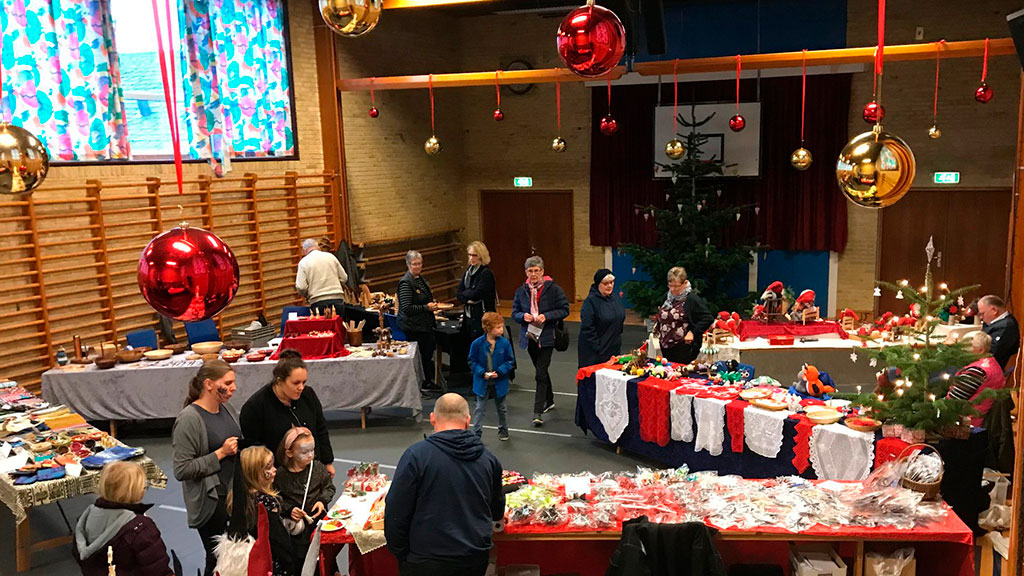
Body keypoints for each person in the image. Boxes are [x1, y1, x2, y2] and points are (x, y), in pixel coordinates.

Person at [384, 394, 504, 576]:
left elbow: (395, 512)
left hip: (425, 560)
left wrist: (402, 554)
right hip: (473, 558)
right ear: (468, 421)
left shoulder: (416, 456)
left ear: (432, 418)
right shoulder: (488, 459)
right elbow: (496, 512)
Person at [171, 360, 240, 576]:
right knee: (218, 557)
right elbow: (182, 469)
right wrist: (220, 453)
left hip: (233, 493)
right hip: (211, 501)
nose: (233, 388)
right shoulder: (189, 419)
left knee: (236, 554)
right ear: (209, 384)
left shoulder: (226, 408)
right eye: (227, 383)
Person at [240, 350, 335, 477]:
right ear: (279, 381)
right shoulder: (254, 408)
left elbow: (320, 429)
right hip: (278, 476)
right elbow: (256, 451)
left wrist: (328, 462)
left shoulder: (308, 395)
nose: (301, 387)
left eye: (304, 382)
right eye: (296, 383)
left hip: (312, 470)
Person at [73, 461, 173, 576]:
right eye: (143, 486)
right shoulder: (140, 528)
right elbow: (158, 569)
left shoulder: (86, 518)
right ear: (133, 491)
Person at [512, 255, 569, 427]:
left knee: (539, 373)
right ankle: (549, 399)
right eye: (530, 271)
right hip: (529, 337)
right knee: (541, 371)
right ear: (526, 273)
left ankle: (537, 412)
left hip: (547, 337)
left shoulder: (554, 290)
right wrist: (524, 316)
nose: (534, 274)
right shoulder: (521, 291)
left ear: (543, 272)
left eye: (537, 271)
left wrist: (547, 316)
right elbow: (515, 313)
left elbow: (564, 309)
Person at [274, 427, 336, 574]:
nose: (310, 455)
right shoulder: (281, 475)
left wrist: (322, 501)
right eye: (304, 452)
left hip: (318, 525)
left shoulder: (318, 468)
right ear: (289, 453)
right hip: (297, 532)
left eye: (312, 450)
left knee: (324, 559)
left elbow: (329, 488)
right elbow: (276, 498)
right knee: (300, 562)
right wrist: (289, 509)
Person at [227, 446, 296, 576]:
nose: (275, 470)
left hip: (251, 563)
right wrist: (290, 563)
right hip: (272, 563)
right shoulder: (268, 502)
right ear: (257, 473)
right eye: (269, 467)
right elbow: (278, 540)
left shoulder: (237, 498)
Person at [468, 312, 515, 441]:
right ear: (488, 328)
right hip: (483, 381)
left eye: (502, 327)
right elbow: (472, 361)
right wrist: (482, 373)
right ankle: (476, 434)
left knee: (502, 408)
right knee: (479, 408)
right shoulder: (477, 344)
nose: (501, 330)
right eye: (498, 327)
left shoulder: (505, 343)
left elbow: (510, 361)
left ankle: (503, 430)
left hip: (499, 381)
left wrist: (499, 372)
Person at [398, 250, 439, 390]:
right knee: (422, 357)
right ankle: (423, 383)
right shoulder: (405, 283)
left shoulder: (420, 279)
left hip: (424, 325)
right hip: (414, 327)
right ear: (408, 265)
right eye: (414, 264)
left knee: (427, 355)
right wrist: (426, 308)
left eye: (420, 264)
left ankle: (427, 380)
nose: (417, 267)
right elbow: (407, 308)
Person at [655, 267, 714, 365]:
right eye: (670, 286)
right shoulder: (667, 297)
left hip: (683, 346)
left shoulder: (692, 299)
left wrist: (693, 332)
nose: (673, 289)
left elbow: (707, 318)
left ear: (685, 283)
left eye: (676, 286)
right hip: (666, 344)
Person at [947, 331, 1008, 426]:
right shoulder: (992, 362)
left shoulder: (977, 371)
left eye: (967, 346)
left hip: (967, 423)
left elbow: (952, 402)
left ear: (981, 350)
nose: (963, 350)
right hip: (981, 418)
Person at [578, 268, 626, 369]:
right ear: (598, 284)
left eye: (611, 282)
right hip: (595, 354)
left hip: (613, 350)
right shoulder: (590, 302)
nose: (609, 286)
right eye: (605, 283)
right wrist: (598, 347)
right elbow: (587, 329)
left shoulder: (615, 299)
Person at [296, 238, 348, 316]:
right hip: (337, 298)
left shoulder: (303, 263)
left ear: (304, 251)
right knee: (338, 327)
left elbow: (301, 287)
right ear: (318, 247)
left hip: (317, 300)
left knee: (321, 327)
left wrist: (308, 294)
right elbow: (344, 278)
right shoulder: (331, 257)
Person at [457, 241, 497, 338]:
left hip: (483, 316)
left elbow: (476, 294)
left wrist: (465, 293)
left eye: (474, 255)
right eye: (470, 255)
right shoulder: (468, 272)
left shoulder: (486, 273)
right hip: (469, 315)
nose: (471, 258)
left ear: (481, 256)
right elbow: (458, 292)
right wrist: (467, 298)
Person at [978, 295, 1020, 370]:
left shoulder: (1006, 326)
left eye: (982, 314)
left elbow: (992, 353)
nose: (981, 317)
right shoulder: (993, 322)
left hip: (990, 368)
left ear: (994, 310)